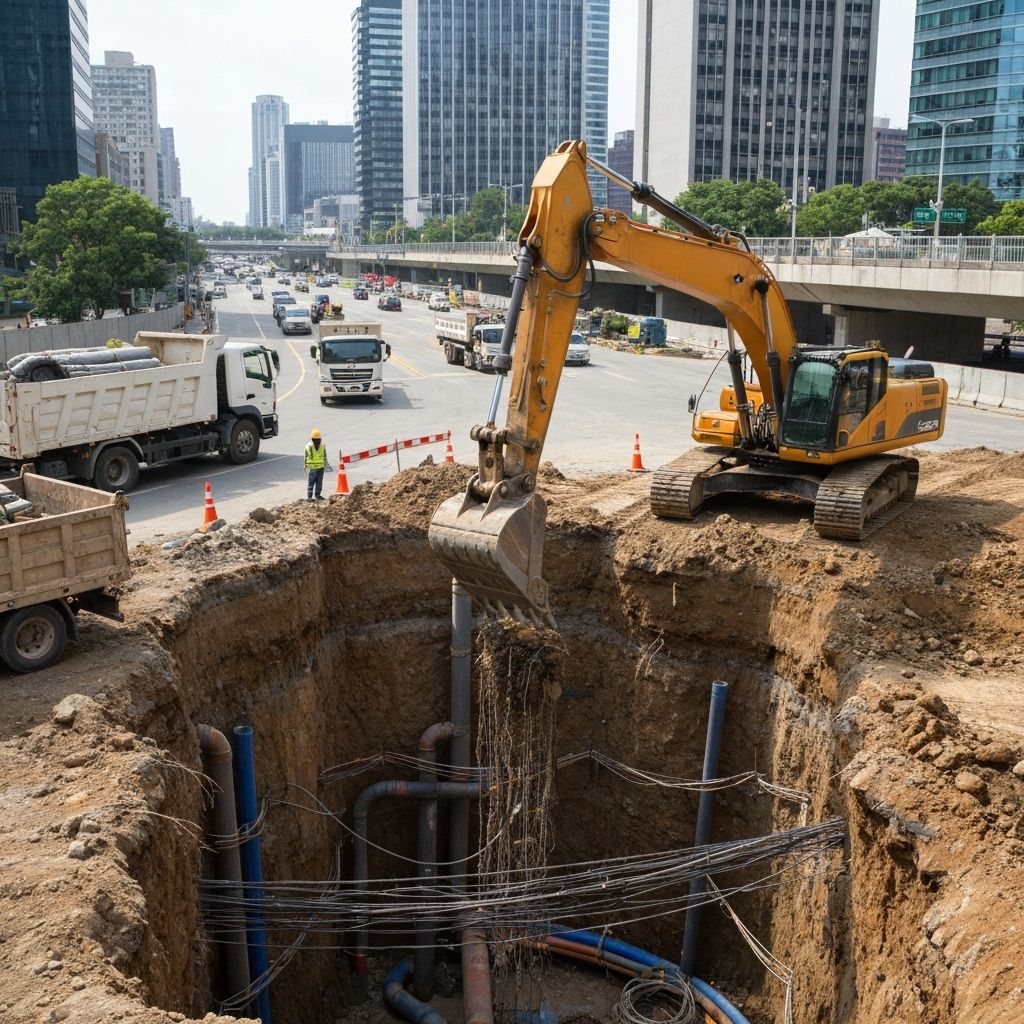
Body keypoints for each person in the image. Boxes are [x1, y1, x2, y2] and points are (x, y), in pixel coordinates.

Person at [304, 428, 332, 501]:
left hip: (318, 467)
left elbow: (324, 456)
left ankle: (315, 496)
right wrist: (306, 466)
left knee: (317, 483)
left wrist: (305, 466)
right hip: (314, 468)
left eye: (318, 440)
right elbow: (306, 456)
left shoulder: (318, 446)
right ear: (312, 439)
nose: (317, 441)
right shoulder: (310, 446)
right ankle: (311, 497)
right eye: (316, 440)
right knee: (313, 482)